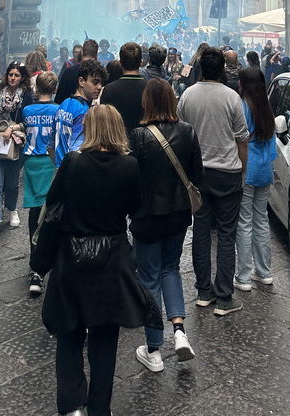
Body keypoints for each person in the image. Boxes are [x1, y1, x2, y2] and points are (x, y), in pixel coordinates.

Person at [40, 106, 160, 416]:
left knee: (69, 332)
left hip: (71, 256)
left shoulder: (73, 162)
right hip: (112, 258)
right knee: (105, 338)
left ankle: (71, 405)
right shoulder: (129, 165)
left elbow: (53, 203)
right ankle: (99, 409)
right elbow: (135, 206)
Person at [130, 79, 202, 371]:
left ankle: (154, 348)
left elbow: (131, 178)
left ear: (147, 102)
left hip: (147, 217)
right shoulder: (188, 132)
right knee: (171, 268)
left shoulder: (137, 136)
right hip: (178, 215)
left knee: (149, 278)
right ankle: (180, 331)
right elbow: (197, 175)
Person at [177, 47, 249, 316]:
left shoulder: (187, 95)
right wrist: (242, 171)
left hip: (198, 174)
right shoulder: (231, 97)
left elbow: (181, 133)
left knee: (201, 232)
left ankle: (204, 292)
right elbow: (242, 139)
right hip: (228, 173)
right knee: (227, 235)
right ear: (220, 70)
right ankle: (224, 296)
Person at [234, 67, 277, 292]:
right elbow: (272, 148)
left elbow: (238, 138)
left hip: (247, 168)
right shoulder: (266, 108)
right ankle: (265, 272)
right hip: (264, 170)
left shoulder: (242, 106)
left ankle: (243, 276)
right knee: (261, 220)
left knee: (244, 222)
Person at [0, 62, 33, 239]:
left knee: (11, 183)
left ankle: (11, 209)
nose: (12, 78)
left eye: (16, 75)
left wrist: (13, 128)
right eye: (10, 74)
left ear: (22, 78)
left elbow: (29, 122)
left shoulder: (26, 97)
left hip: (15, 143)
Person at [22, 70, 59, 297]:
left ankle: (35, 261)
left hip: (31, 163)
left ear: (37, 89)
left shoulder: (27, 111)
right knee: (52, 211)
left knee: (34, 213)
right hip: (50, 161)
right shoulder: (58, 110)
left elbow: (25, 129)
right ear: (54, 89)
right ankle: (51, 257)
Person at [54, 59, 104, 166]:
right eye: (95, 82)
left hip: (61, 170)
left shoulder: (64, 104)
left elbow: (50, 145)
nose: (99, 87)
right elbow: (77, 152)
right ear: (81, 81)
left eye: (101, 83)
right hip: (75, 173)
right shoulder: (84, 112)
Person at [99, 41, 147, 134]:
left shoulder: (109, 90)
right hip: (145, 144)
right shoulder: (150, 89)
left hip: (117, 144)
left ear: (120, 63)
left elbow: (103, 123)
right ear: (141, 62)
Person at [55, 39, 98, 104]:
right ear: (96, 55)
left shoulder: (69, 71)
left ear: (82, 53)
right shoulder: (99, 73)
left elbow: (59, 98)